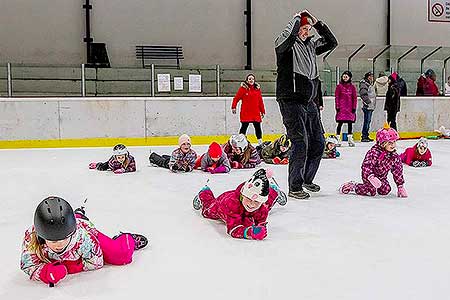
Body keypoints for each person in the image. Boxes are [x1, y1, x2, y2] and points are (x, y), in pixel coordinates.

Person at [274, 9, 337, 199]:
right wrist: (295, 18)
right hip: (291, 99)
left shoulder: (310, 45)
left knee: (318, 142)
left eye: (308, 29)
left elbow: (332, 42)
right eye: (303, 28)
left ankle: (307, 179)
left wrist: (317, 23)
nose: (305, 31)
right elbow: (289, 35)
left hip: (309, 101)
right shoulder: (285, 46)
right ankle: (295, 186)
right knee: (300, 142)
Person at [20, 197, 147, 286]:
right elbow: (28, 265)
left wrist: (68, 267)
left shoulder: (83, 238)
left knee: (121, 255)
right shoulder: (31, 238)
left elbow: (96, 262)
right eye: (53, 241)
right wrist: (46, 272)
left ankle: (126, 238)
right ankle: (78, 215)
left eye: (64, 239)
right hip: (73, 227)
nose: (59, 244)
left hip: (88, 231)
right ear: (42, 236)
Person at [192, 169, 287, 240]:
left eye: (257, 202)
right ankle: (204, 192)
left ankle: (273, 191)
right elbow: (233, 229)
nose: (252, 204)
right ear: (243, 195)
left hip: (248, 205)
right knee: (207, 211)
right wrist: (249, 232)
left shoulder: (261, 207)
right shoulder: (230, 204)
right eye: (249, 199)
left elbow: (260, 220)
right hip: (222, 204)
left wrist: (260, 227)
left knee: (265, 206)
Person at [339, 124, 407, 198]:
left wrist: (400, 186)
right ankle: (353, 186)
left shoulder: (394, 156)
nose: (393, 145)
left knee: (386, 190)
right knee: (371, 191)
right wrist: (371, 177)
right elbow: (366, 166)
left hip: (381, 178)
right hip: (369, 176)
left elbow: (397, 171)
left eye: (394, 142)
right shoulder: (374, 152)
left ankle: (376, 185)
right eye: (390, 143)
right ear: (382, 143)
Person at [231, 74, 266, 145]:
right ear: (247, 80)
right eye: (249, 79)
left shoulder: (257, 89)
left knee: (258, 127)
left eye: (252, 79)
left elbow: (260, 101)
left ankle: (260, 142)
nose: (251, 80)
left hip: (255, 112)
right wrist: (233, 107)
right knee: (244, 127)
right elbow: (236, 98)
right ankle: (240, 141)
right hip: (246, 112)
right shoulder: (243, 89)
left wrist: (262, 111)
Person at [335, 70, 357, 147]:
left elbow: (354, 98)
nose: (345, 78)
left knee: (350, 123)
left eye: (346, 77)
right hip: (342, 108)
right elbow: (337, 97)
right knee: (340, 124)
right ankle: (337, 138)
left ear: (349, 77)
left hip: (350, 108)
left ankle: (350, 139)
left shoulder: (352, 87)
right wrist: (337, 107)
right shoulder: (339, 86)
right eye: (344, 76)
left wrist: (354, 107)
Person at [359, 71, 376, 142]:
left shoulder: (369, 84)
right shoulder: (364, 84)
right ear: (368, 77)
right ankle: (364, 136)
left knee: (368, 121)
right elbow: (363, 94)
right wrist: (368, 102)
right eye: (371, 76)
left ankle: (366, 135)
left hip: (370, 106)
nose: (372, 78)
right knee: (366, 121)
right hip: (367, 106)